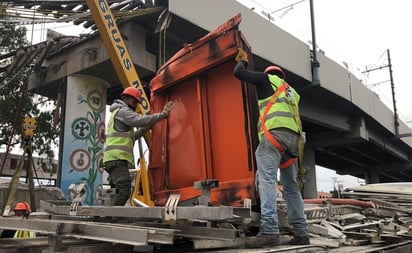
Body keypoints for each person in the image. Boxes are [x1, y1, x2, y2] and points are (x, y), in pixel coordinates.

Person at [234, 48, 309, 246]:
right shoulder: (293, 93)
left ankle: (269, 231)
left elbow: (238, 74)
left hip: (274, 137)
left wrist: (242, 61)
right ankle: (301, 233)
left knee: (266, 180)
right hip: (294, 144)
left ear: (268, 73)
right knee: (291, 188)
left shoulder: (266, 79)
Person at [103, 86, 174, 206]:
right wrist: (161, 115)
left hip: (112, 159)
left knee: (115, 190)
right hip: (117, 159)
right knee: (124, 189)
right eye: (134, 101)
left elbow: (132, 136)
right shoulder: (123, 111)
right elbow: (139, 120)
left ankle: (107, 214)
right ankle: (112, 216)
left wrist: (147, 126)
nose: (135, 105)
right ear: (125, 98)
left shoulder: (116, 113)